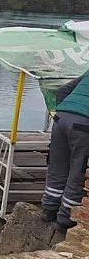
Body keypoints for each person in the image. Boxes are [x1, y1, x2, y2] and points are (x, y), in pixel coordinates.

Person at [41, 71, 89, 232]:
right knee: (78, 170)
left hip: (61, 118)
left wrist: (63, 115)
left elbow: (62, 90)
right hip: (84, 125)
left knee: (57, 166)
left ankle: (48, 210)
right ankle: (65, 219)